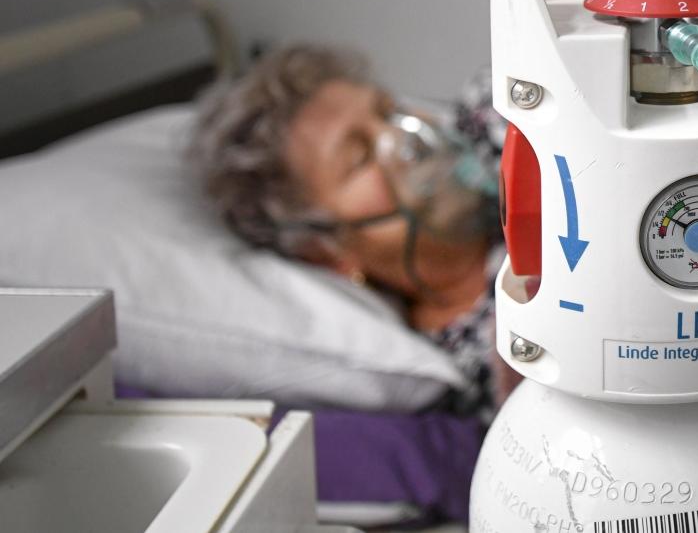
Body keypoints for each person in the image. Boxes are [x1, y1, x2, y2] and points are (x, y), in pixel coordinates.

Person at [190, 44, 513, 411]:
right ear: (324, 250)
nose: (404, 137)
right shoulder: (469, 366)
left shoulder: (499, 116)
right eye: (360, 157)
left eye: (388, 110)